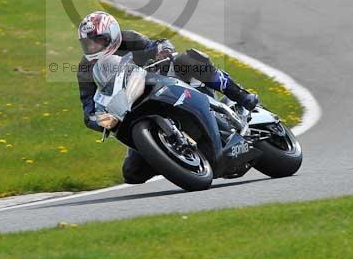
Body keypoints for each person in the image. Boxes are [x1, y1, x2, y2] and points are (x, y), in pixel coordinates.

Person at [76, 11, 260, 184]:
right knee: (132, 174)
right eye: (88, 44)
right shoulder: (86, 68)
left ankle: (241, 95)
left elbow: (160, 44)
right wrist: (102, 120)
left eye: (98, 41)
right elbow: (89, 111)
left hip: (160, 84)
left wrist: (162, 51)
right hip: (130, 110)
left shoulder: (130, 39)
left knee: (187, 60)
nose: (93, 47)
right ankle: (173, 157)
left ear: (112, 35)